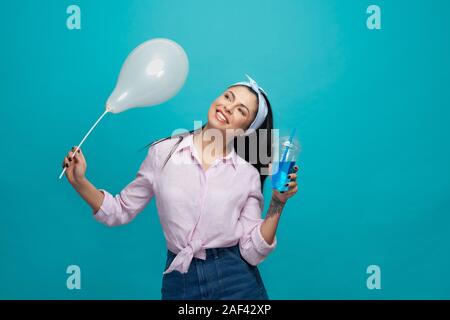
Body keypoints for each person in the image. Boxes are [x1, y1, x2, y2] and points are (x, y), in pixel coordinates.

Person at [62, 75, 299, 300]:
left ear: (246, 128)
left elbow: (252, 252)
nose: (228, 107)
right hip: (180, 280)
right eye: (228, 97)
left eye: (241, 110)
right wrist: (80, 182)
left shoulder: (247, 175)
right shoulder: (163, 152)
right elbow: (121, 210)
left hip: (235, 279)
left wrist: (278, 202)